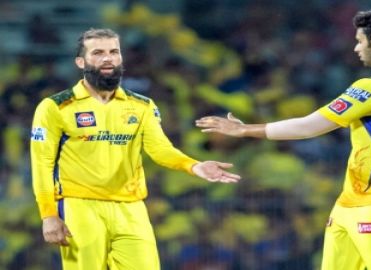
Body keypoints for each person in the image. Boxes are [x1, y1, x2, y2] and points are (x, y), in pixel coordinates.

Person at [196, 7, 371, 270]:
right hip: (348, 206)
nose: (357, 49)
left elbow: (308, 126)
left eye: (360, 41)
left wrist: (244, 130)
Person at [30, 28, 240, 270]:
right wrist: (48, 215)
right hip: (80, 206)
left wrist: (194, 166)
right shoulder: (55, 107)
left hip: (132, 209)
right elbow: (41, 163)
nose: (107, 58)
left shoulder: (142, 105)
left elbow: (160, 149)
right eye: (97, 52)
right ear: (81, 62)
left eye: (114, 52)